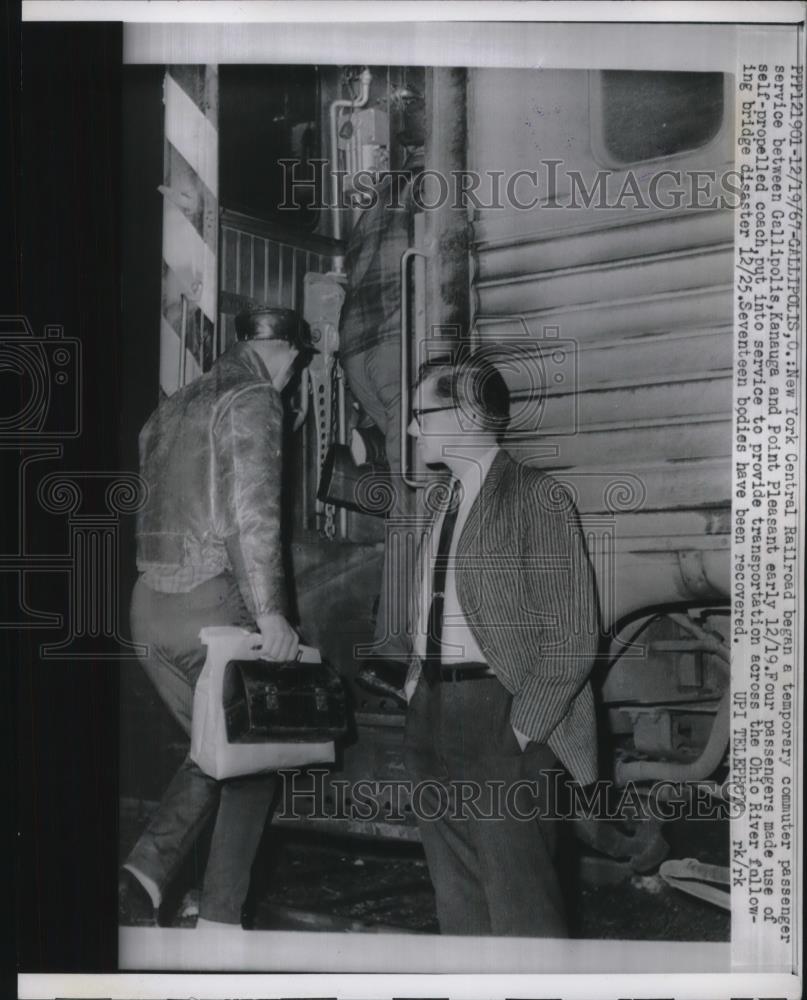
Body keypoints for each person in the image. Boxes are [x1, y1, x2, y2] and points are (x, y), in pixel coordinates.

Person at [119, 306, 317, 929]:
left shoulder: (173, 404)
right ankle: (216, 913)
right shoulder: (254, 394)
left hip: (149, 610)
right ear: (285, 351)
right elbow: (253, 516)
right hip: (210, 604)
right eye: (298, 364)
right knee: (260, 743)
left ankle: (149, 878)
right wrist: (273, 614)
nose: (293, 376)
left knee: (219, 746)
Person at [402, 351, 600, 937]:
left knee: (522, 910)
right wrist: (417, 687)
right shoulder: (444, 502)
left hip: (500, 716)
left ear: (465, 416)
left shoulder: (537, 497)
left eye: (422, 413)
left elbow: (571, 636)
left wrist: (522, 726)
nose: (413, 427)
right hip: (434, 712)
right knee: (457, 903)